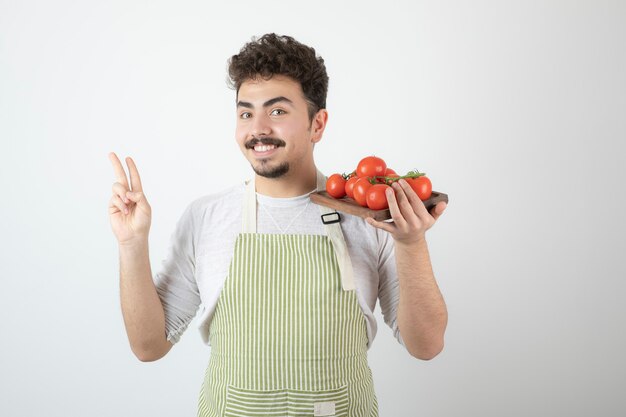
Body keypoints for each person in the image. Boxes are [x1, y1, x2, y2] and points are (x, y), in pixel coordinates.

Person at [108, 33, 448, 417]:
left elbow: (427, 345)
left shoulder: (368, 219)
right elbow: (148, 346)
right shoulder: (206, 217)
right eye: (246, 112)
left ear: (317, 124)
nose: (258, 129)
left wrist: (411, 243)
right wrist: (132, 244)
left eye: (278, 111)